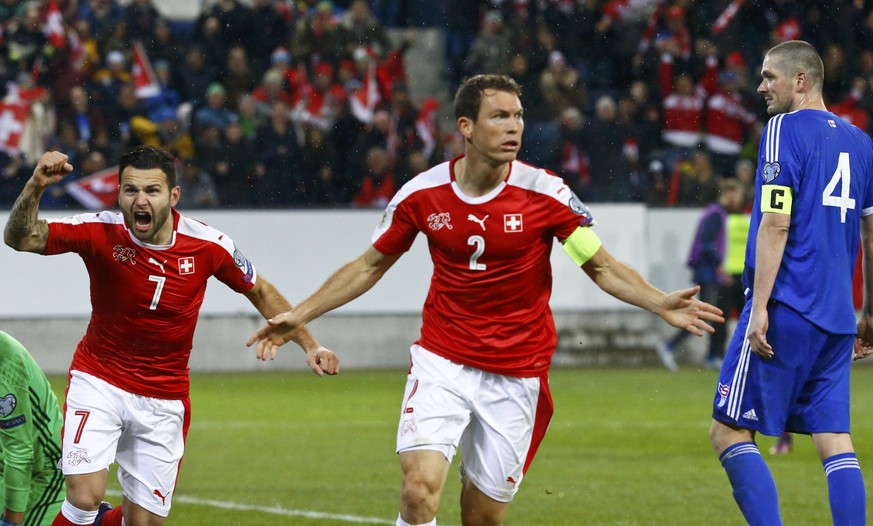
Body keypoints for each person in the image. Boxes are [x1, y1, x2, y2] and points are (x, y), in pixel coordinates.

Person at [247, 74, 724, 526]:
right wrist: (300, 315)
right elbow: (369, 265)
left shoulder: (546, 193)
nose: (513, 126)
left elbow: (599, 266)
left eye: (517, 116)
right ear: (466, 128)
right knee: (418, 491)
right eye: (499, 116)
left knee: (482, 517)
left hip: (517, 372)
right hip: (443, 359)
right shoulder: (423, 194)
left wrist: (659, 302)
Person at [3, 146, 339, 526]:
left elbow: (259, 290)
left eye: (151, 191)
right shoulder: (100, 230)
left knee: (143, 522)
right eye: (130, 190)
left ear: (173, 196)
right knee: (83, 498)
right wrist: (35, 186)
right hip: (99, 380)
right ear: (118, 193)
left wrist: (311, 344)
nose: (139, 200)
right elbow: (20, 238)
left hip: (165, 398)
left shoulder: (210, 245)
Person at [709, 40, 873, 526]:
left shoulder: (782, 129)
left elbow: (776, 222)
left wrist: (758, 307)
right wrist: (869, 313)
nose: (760, 87)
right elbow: (870, 233)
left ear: (800, 81)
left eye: (768, 77)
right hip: (837, 320)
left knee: (730, 434)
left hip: (787, 308)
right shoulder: (862, 143)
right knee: (834, 441)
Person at [657, 177, 747, 371]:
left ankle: (712, 356)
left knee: (709, 315)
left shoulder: (715, 213)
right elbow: (707, 245)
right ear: (729, 194)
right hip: (708, 273)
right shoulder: (716, 214)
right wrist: (720, 266)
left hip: (708, 272)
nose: (740, 199)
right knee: (705, 315)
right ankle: (669, 347)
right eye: (738, 195)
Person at [0, 331, 65, 526]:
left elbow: (19, 451)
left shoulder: (6, 364)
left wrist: (11, 521)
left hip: (44, 470)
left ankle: (99, 519)